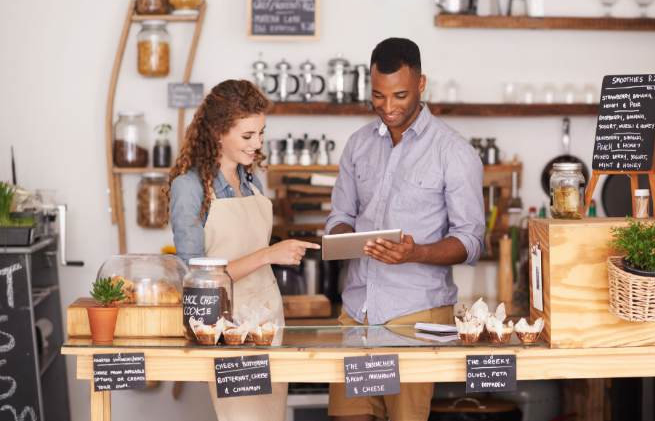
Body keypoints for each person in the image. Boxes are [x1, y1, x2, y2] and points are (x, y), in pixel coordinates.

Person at [325, 38, 485, 421]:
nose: (388, 107)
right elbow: (339, 216)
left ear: (421, 84)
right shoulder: (359, 144)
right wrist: (346, 237)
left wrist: (417, 253)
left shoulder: (453, 152)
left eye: (399, 95)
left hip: (416, 319)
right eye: (378, 96)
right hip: (356, 315)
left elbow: (471, 241)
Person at [168, 79, 319, 421]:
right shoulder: (190, 187)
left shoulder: (252, 182)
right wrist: (269, 254)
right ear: (219, 133)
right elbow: (195, 281)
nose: (258, 144)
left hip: (268, 321)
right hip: (227, 328)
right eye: (248, 136)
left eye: (261, 134)